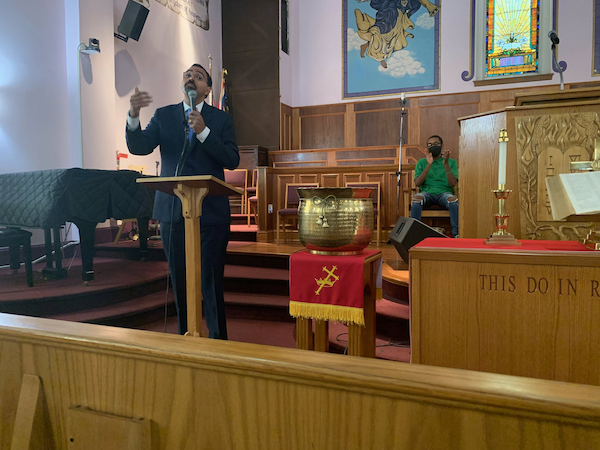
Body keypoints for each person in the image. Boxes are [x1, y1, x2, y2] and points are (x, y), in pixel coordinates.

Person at [125, 64, 240, 339]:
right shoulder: (164, 116)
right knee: (180, 280)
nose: (191, 78)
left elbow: (231, 159)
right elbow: (140, 146)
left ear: (208, 89)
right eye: (188, 74)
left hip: (210, 214)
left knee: (211, 282)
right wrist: (132, 116)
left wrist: (203, 133)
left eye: (199, 77)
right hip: (173, 212)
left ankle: (218, 341)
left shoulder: (220, 120)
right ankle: (184, 338)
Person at [355, 0, 440, 68]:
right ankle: (430, 7)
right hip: (392, 16)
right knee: (388, 36)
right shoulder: (389, 40)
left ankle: (430, 7)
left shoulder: (379, 34)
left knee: (382, 32)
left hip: (391, 15)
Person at [410, 135, 459, 237]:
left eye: (436, 144)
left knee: (453, 200)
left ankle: (456, 235)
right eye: (430, 145)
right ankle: (414, 235)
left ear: (442, 145)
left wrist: (445, 164)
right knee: (416, 199)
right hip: (426, 193)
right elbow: (418, 183)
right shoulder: (421, 162)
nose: (433, 146)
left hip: (444, 193)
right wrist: (429, 164)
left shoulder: (451, 162)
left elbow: (453, 183)